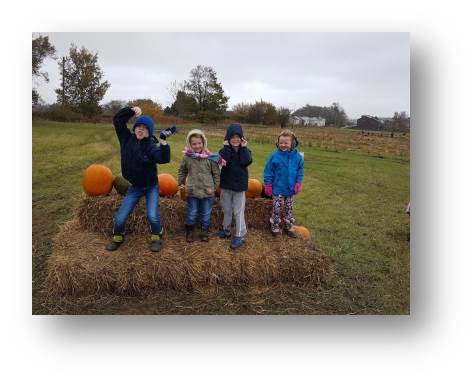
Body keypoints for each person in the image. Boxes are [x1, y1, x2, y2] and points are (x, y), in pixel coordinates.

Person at [105, 106, 176, 252]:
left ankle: (157, 235)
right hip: (135, 186)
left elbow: (163, 158)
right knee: (119, 218)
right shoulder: (126, 138)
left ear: (149, 132)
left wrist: (163, 141)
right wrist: (131, 111)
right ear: (134, 128)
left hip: (151, 186)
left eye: (145, 128)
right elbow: (117, 120)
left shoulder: (150, 145)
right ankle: (118, 236)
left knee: (152, 216)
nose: (141, 129)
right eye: (139, 126)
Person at [178, 129, 223, 243]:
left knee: (206, 213)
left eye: (199, 143)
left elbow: (216, 173)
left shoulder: (210, 158)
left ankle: (204, 231)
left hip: (207, 191)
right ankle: (190, 231)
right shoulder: (187, 157)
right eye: (194, 144)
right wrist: (181, 182)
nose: (197, 146)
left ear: (203, 143)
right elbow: (182, 170)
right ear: (190, 144)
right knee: (192, 212)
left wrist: (215, 187)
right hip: (192, 191)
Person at [218, 123, 252, 250]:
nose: (235, 139)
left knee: (238, 211)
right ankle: (226, 229)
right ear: (228, 138)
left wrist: (243, 148)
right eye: (233, 137)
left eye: (238, 137)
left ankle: (239, 234)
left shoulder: (246, 151)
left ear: (242, 138)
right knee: (226, 209)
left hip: (239, 187)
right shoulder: (223, 151)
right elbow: (223, 161)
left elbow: (246, 161)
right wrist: (226, 147)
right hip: (226, 185)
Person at [263, 129, 304, 237]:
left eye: (286, 143)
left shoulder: (298, 157)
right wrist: (268, 185)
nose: (283, 145)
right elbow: (268, 172)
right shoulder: (274, 157)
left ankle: (289, 226)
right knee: (277, 209)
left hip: (290, 190)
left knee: (289, 209)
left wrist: (298, 183)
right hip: (278, 189)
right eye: (281, 143)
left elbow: (300, 172)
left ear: (293, 143)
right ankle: (275, 227)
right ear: (278, 143)